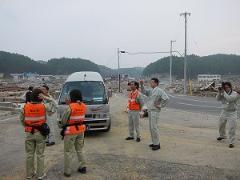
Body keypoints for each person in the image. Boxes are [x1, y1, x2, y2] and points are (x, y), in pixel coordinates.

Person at [20, 88, 52, 179]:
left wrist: (28, 127)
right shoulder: (44, 106)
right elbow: (54, 106)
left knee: (29, 154)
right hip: (40, 134)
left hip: (29, 133)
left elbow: (22, 120)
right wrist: (47, 98)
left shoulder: (25, 107)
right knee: (40, 155)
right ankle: (40, 174)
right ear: (40, 97)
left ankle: (29, 174)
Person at [59, 89, 87, 177]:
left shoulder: (70, 107)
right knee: (80, 149)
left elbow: (63, 121)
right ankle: (83, 167)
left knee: (68, 151)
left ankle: (68, 171)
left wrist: (69, 105)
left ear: (72, 97)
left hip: (71, 131)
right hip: (81, 130)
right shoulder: (83, 105)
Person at [140, 78, 169, 151]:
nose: (150, 84)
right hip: (150, 111)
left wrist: (160, 105)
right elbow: (144, 92)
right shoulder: (151, 90)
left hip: (155, 111)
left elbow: (166, 99)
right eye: (150, 82)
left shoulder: (159, 91)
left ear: (156, 83)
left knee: (154, 127)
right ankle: (154, 142)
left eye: (152, 82)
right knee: (151, 128)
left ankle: (157, 144)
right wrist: (141, 84)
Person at [216, 82, 240, 148]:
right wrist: (219, 92)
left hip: (232, 112)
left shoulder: (236, 94)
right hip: (224, 111)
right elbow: (217, 99)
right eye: (224, 87)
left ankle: (231, 142)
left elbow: (229, 99)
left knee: (232, 127)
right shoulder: (223, 92)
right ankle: (222, 135)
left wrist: (223, 92)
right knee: (221, 124)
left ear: (230, 87)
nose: (226, 89)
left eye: (227, 87)